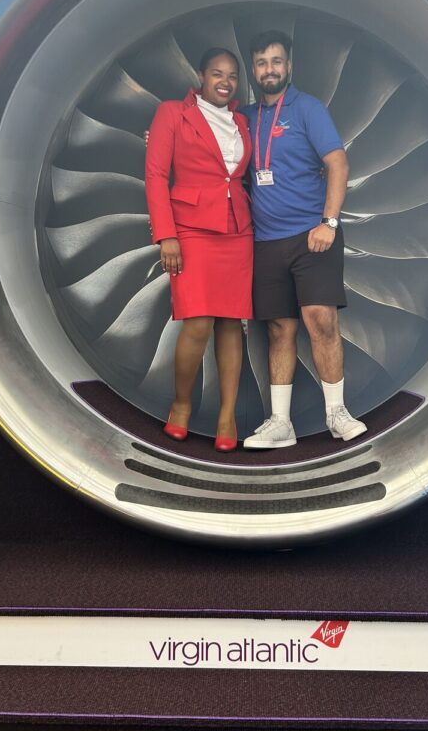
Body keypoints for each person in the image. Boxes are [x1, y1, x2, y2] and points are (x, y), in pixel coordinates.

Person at [240, 30, 367, 448]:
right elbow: (206, 143)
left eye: (276, 61)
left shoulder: (308, 108)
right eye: (262, 62)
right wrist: (160, 140)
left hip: (312, 235)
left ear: (288, 66)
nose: (269, 69)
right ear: (253, 68)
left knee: (321, 320)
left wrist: (329, 223)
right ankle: (281, 423)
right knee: (279, 329)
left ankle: (337, 414)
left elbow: (338, 162)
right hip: (266, 242)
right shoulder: (245, 117)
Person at [145, 48, 253, 451]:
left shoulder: (242, 121)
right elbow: (156, 174)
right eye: (217, 74)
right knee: (197, 322)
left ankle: (227, 415)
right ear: (201, 76)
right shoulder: (172, 113)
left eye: (232, 76)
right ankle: (182, 404)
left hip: (237, 230)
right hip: (190, 228)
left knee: (230, 323)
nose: (225, 82)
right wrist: (166, 235)